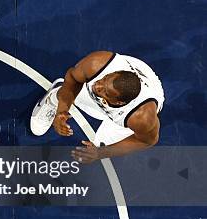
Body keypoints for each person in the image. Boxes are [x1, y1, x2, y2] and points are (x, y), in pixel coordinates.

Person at [30, 51, 164, 163]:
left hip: (129, 112)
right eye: (105, 79)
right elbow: (73, 78)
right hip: (134, 74)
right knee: (68, 93)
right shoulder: (98, 65)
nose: (97, 86)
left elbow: (147, 141)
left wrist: (101, 153)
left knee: (99, 147)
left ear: (118, 103)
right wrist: (61, 111)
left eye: (105, 92)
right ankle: (53, 98)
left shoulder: (140, 118)